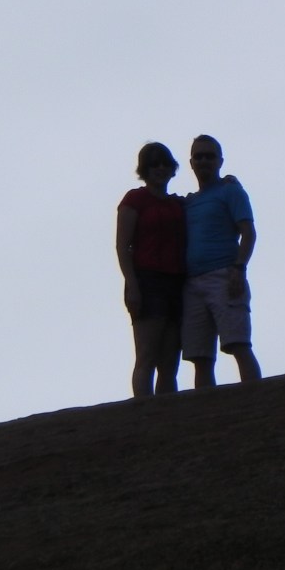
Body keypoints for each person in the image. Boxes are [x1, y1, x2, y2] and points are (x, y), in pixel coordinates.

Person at [181, 134, 263, 388]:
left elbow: (248, 232)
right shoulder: (189, 202)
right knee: (200, 356)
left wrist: (239, 268)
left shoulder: (231, 191)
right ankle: (205, 407)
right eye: (199, 156)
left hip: (224, 275)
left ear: (220, 161)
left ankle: (257, 398)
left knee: (238, 343)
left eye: (210, 156)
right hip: (191, 283)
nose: (204, 161)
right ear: (191, 162)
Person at [115, 142, 186, 397]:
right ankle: (143, 410)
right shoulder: (135, 200)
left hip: (176, 282)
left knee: (169, 361)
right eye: (154, 163)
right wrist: (132, 285)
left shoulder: (178, 204)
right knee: (147, 355)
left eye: (165, 163)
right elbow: (123, 246)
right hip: (147, 281)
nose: (160, 168)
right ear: (144, 169)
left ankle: (166, 412)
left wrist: (228, 181)